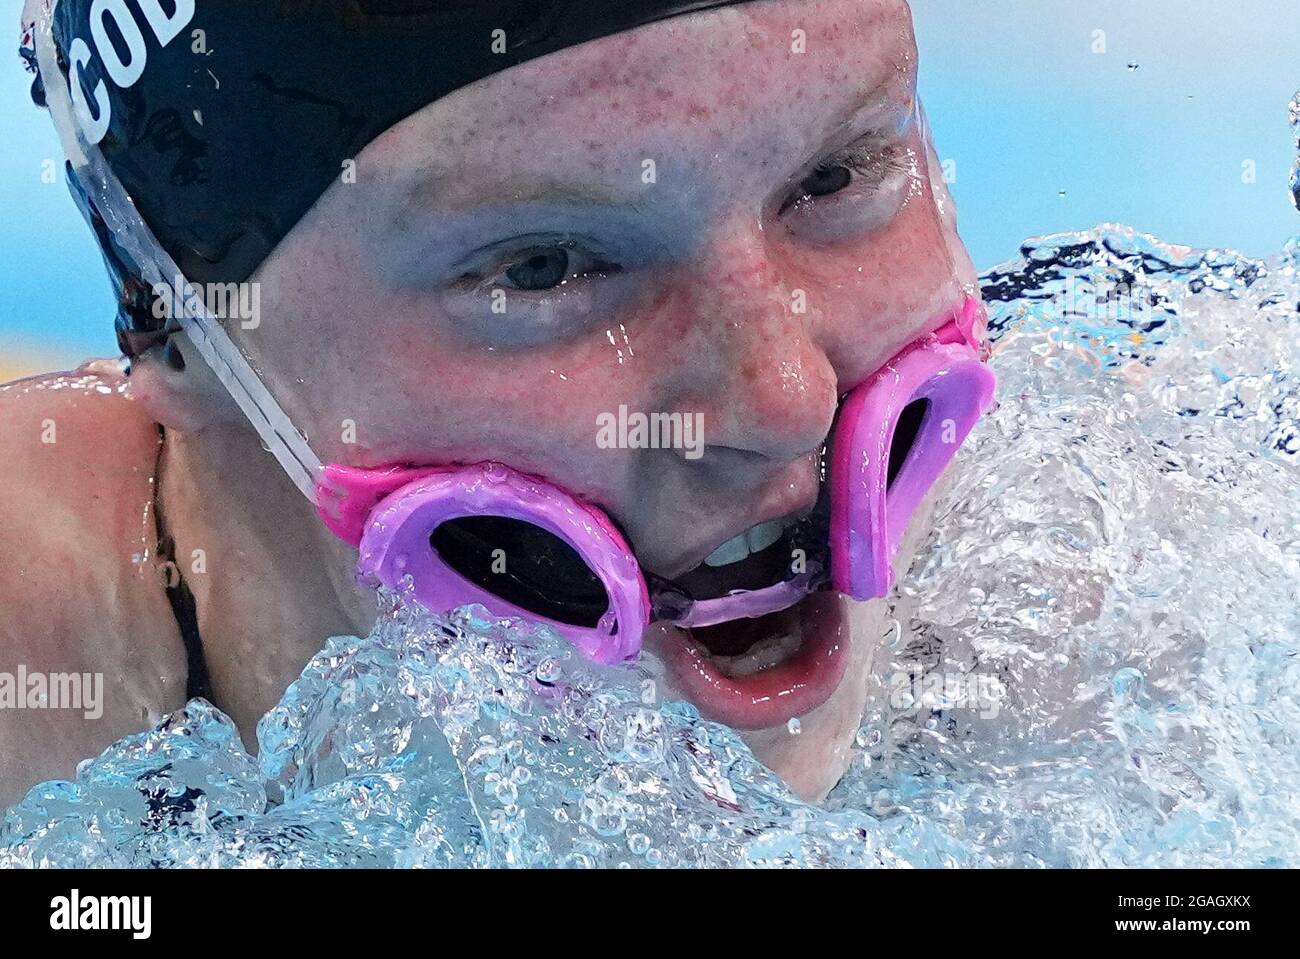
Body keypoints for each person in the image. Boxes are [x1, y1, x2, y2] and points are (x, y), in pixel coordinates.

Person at [0, 0, 990, 808]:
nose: (783, 403)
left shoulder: (1094, 588)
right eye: (543, 267)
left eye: (832, 176)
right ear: (180, 325)